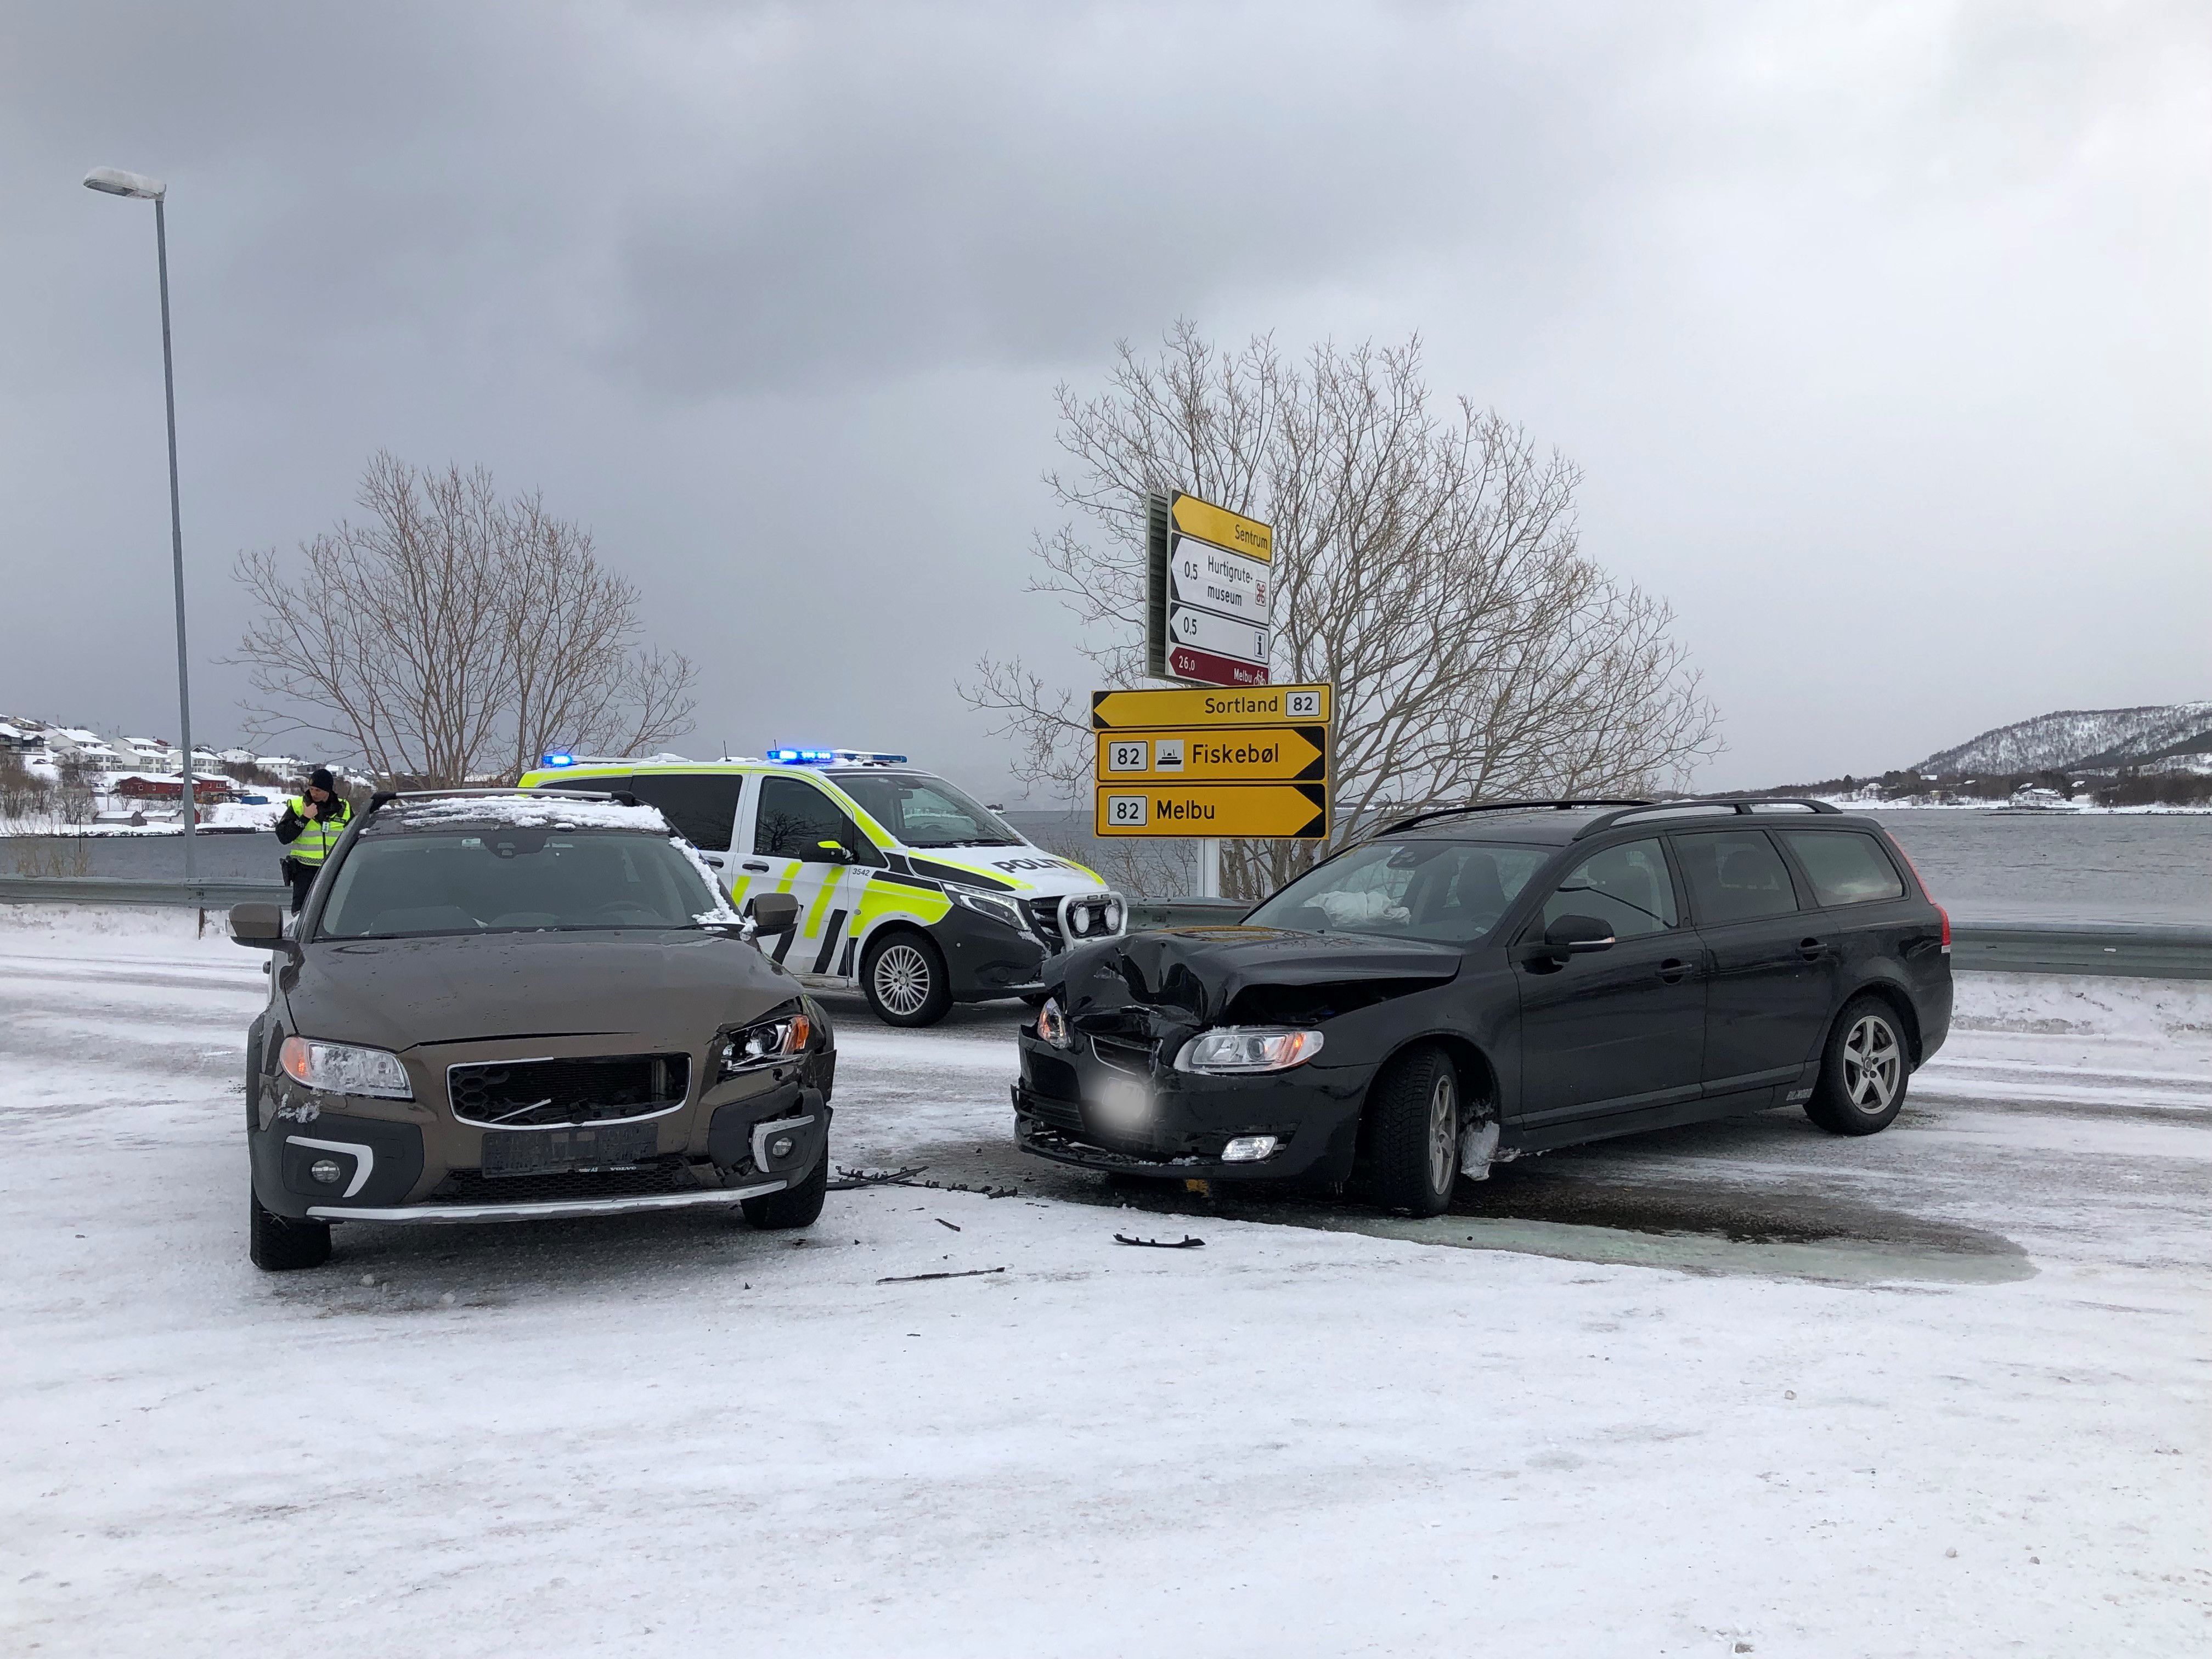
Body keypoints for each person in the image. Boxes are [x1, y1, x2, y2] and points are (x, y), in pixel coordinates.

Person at [276, 769, 354, 912]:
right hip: (304, 872)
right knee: (301, 914)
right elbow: (283, 837)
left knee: (335, 912)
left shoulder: (345, 808)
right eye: (311, 789)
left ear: (328, 790)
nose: (314, 794)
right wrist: (305, 818)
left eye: (318, 790)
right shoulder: (298, 807)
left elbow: (355, 838)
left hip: (335, 870)